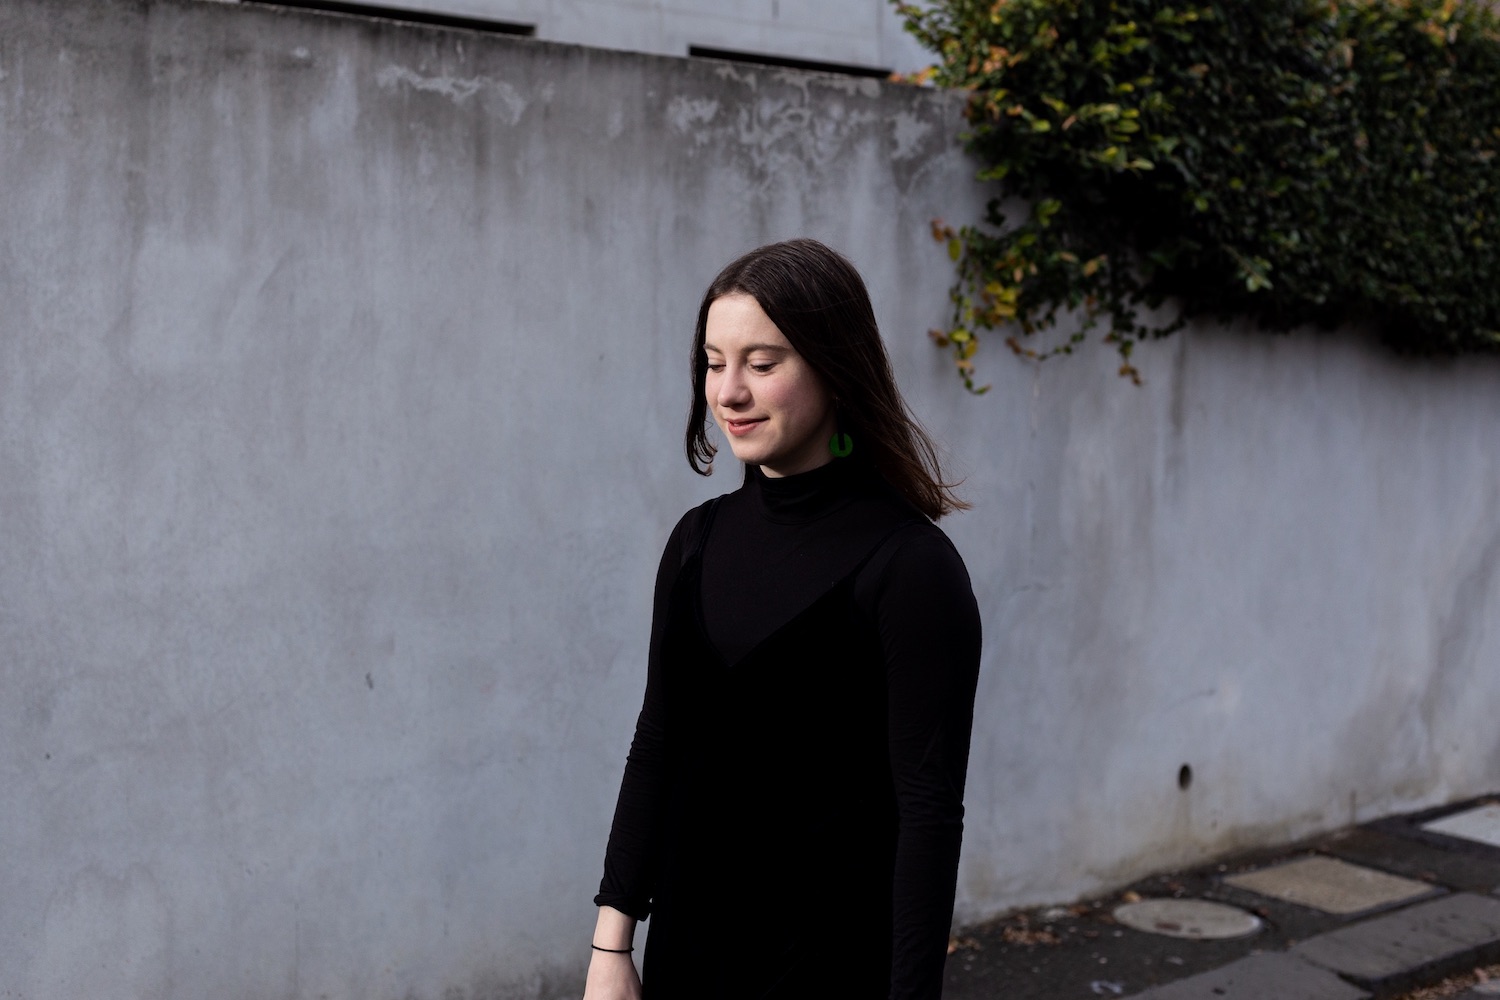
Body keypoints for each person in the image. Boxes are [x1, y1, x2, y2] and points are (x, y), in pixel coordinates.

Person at [583, 239, 982, 1000]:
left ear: (835, 368)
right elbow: (658, 742)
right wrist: (612, 942)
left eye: (763, 365)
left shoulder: (911, 568)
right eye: (713, 362)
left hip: (831, 969)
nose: (730, 391)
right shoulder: (695, 543)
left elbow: (928, 815)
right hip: (688, 960)